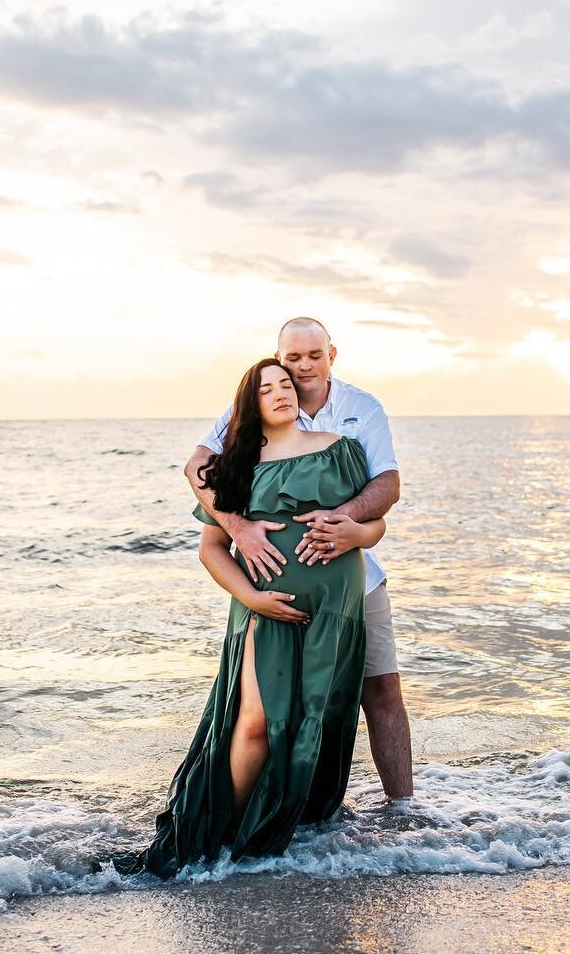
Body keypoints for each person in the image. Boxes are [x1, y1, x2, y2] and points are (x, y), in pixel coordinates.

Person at [133, 357, 385, 877]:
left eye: (287, 384)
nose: (281, 393)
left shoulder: (341, 451)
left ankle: (279, 834)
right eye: (267, 388)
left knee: (314, 720)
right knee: (254, 723)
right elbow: (211, 549)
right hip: (263, 609)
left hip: (333, 607)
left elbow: (376, 520)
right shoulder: (238, 467)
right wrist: (251, 599)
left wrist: (358, 534)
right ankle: (225, 835)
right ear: (249, 403)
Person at [184, 318, 413, 802]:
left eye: (313, 356)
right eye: (292, 359)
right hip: (271, 600)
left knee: (378, 692)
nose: (302, 368)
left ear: (332, 353)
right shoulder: (250, 413)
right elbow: (198, 468)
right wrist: (239, 527)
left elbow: (387, 487)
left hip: (355, 586)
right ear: (277, 357)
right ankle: (256, 825)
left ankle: (402, 810)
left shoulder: (359, 411)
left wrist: (348, 524)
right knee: (265, 714)